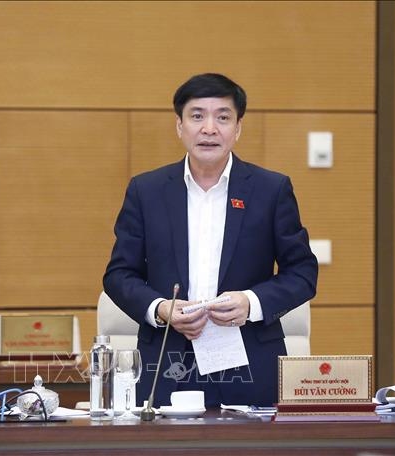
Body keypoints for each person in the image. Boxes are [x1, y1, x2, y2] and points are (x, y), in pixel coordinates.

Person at [103, 73, 318, 407]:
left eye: (223, 117)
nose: (209, 128)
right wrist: (161, 308)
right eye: (197, 116)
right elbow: (118, 275)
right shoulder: (146, 191)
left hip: (247, 361)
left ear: (238, 128)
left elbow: (303, 272)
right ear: (180, 126)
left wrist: (251, 302)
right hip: (167, 360)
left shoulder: (270, 190)